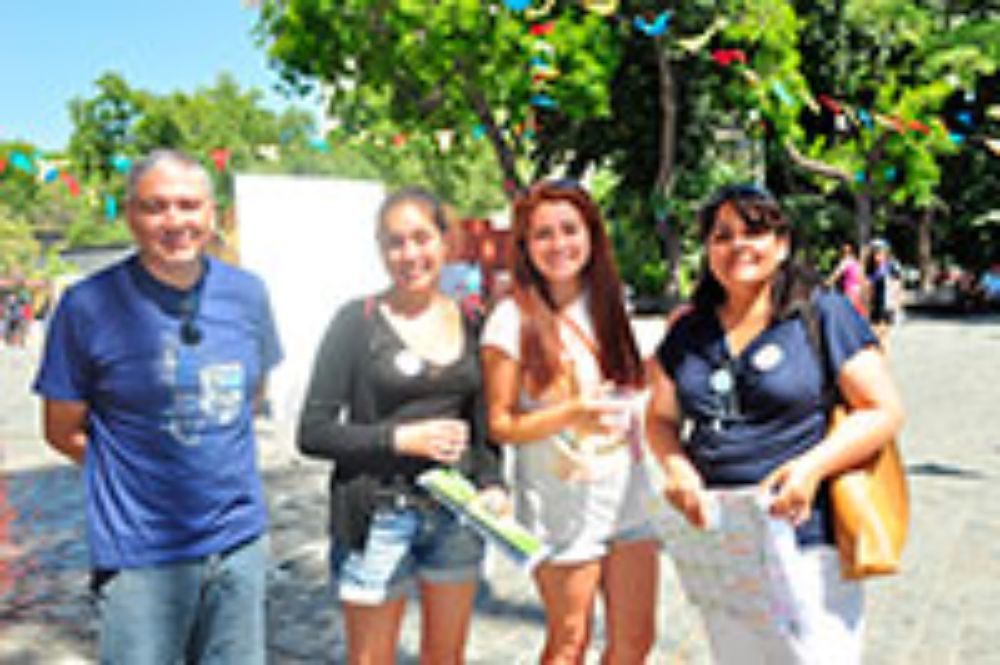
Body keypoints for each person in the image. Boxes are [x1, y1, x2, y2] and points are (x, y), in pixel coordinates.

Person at [33, 149, 283, 664]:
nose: (174, 221)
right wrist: (135, 471)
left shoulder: (248, 294)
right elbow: (62, 429)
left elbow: (250, 395)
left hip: (238, 544)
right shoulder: (88, 306)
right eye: (155, 206)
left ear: (213, 214)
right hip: (142, 555)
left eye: (189, 205)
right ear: (130, 215)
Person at [645, 184, 904, 663]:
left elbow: (882, 409)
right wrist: (679, 470)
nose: (738, 245)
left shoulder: (822, 313)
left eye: (754, 232)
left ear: (782, 244)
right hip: (722, 542)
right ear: (708, 250)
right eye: (722, 235)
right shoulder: (688, 331)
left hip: (804, 538)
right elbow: (660, 419)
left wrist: (811, 468)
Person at [297, 188, 504, 664]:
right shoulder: (357, 322)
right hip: (378, 516)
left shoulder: (473, 319)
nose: (410, 254)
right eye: (395, 242)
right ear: (380, 250)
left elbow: (485, 427)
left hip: (455, 515)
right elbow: (313, 431)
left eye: (421, 238)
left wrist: (493, 482)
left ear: (445, 242)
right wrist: (398, 439)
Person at [480, 180, 659, 663]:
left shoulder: (610, 304)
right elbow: (500, 423)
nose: (559, 244)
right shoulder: (510, 319)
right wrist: (572, 412)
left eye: (570, 230)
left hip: (628, 498)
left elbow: (626, 384)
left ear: (592, 235)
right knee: (569, 642)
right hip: (560, 508)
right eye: (543, 234)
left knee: (635, 641)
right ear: (525, 246)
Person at [866, 238, 900, 342]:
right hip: (875, 304)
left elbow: (897, 286)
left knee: (883, 334)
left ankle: (883, 351)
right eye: (875, 253)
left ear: (885, 253)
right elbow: (869, 287)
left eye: (880, 252)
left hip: (887, 303)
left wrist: (896, 304)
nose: (877, 256)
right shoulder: (871, 268)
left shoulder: (891, 266)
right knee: (875, 334)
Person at [827, 241, 865, 315]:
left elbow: (835, 276)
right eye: (844, 252)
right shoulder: (857, 263)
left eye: (848, 252)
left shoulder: (846, 262)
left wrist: (827, 283)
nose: (846, 254)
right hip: (859, 293)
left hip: (850, 293)